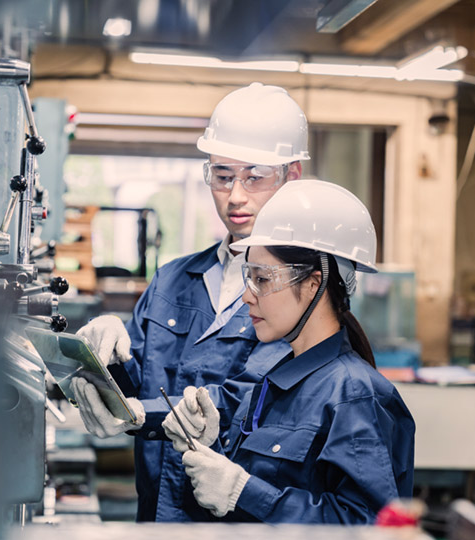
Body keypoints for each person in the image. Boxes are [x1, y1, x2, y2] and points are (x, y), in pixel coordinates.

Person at [69, 82, 310, 521]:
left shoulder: (299, 293)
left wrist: (141, 414)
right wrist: (100, 358)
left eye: (254, 176)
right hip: (153, 517)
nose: (236, 195)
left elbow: (246, 399)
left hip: (235, 525)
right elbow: (134, 381)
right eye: (222, 176)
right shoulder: (173, 279)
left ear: (291, 176)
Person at [162, 180, 415, 523]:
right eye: (247, 278)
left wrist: (243, 490)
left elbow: (367, 526)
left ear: (314, 283)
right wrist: (210, 454)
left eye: (262, 279)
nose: (247, 296)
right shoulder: (276, 383)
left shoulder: (353, 395)